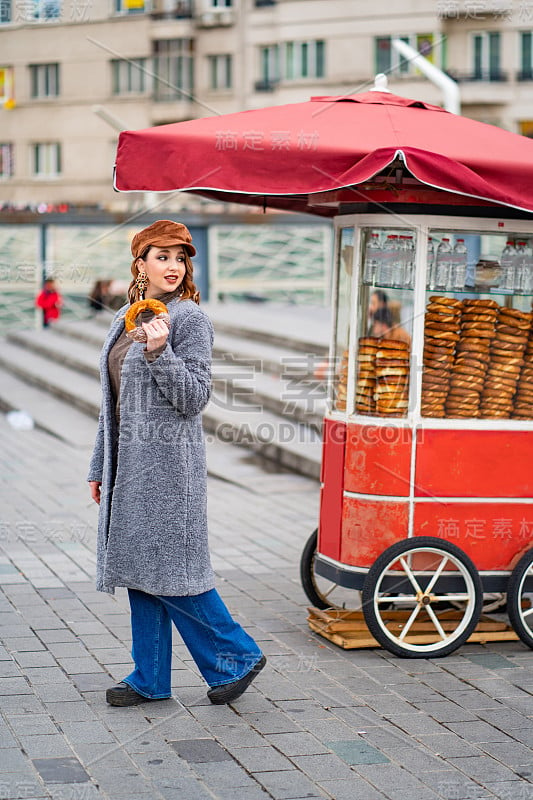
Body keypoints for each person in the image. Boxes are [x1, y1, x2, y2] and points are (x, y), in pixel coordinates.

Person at [87, 220, 265, 707]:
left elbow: (194, 398)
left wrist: (160, 351)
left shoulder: (188, 320)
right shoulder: (125, 316)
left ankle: (237, 655)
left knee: (176, 572)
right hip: (128, 468)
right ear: (140, 264)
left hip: (168, 470)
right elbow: (112, 404)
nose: (172, 266)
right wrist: (100, 464)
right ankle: (151, 676)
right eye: (161, 256)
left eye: (179, 257)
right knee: (142, 571)